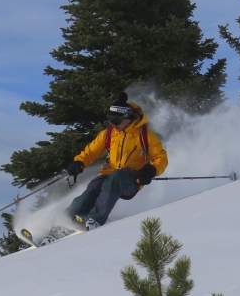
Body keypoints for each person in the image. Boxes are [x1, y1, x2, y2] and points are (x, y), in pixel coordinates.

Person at [65, 92, 168, 231]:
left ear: (127, 118)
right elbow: (91, 152)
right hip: (108, 174)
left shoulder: (145, 135)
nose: (114, 124)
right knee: (93, 189)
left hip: (132, 179)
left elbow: (161, 157)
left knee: (116, 178)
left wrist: (152, 170)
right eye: (111, 119)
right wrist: (79, 162)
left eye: (117, 120)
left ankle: (94, 219)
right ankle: (63, 220)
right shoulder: (109, 134)